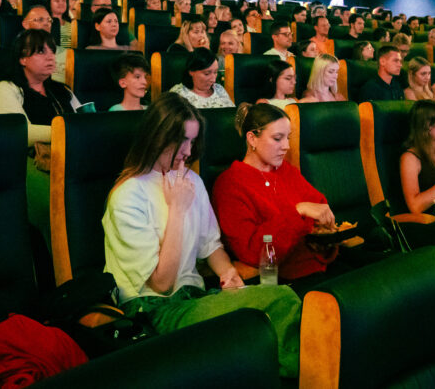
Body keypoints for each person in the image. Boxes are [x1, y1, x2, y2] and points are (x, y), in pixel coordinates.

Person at [102, 95, 302, 376]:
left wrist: (228, 272)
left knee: (265, 315)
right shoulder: (127, 195)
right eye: (181, 140)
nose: (188, 151)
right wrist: (177, 210)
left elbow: (211, 246)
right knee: (280, 300)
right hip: (153, 309)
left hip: (194, 297)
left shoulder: (191, 181)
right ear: (157, 137)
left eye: (193, 141)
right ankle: (317, 374)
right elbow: (161, 283)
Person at [213, 102, 338, 288]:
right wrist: (298, 211)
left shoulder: (285, 170)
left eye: (288, 138)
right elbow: (252, 252)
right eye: (278, 138)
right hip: (282, 281)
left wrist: (325, 232)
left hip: (323, 263)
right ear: (252, 139)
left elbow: (319, 208)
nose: (286, 146)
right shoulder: (230, 184)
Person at [0, 29, 82, 250]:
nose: (50, 57)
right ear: (22, 59)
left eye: (52, 51)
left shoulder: (62, 90)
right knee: (60, 205)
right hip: (29, 162)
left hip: (73, 157)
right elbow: (21, 133)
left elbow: (83, 121)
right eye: (41, 52)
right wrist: (68, 132)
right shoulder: (5, 89)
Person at [169, 48, 235, 108]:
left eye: (215, 72)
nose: (213, 80)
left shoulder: (219, 89)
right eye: (207, 74)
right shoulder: (178, 94)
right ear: (191, 71)